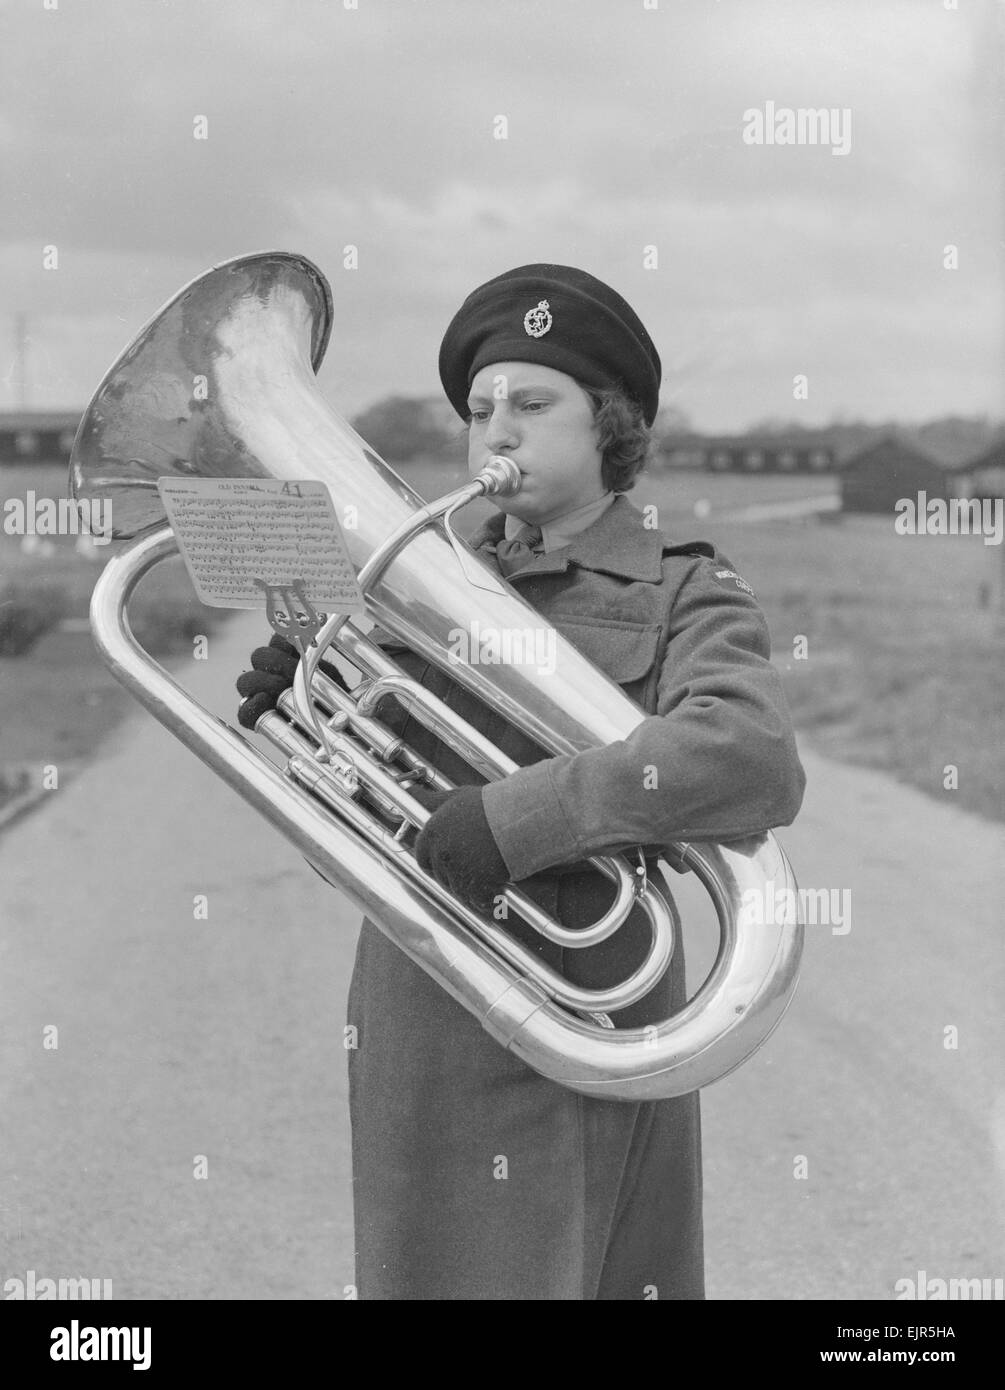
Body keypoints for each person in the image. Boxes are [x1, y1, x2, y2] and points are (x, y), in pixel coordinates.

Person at [236, 263, 805, 1300]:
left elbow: (749, 757)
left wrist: (515, 817)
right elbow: (375, 832)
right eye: (480, 408)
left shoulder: (683, 584)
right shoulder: (418, 586)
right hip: (419, 1004)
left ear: (612, 427)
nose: (497, 429)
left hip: (582, 1003)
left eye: (534, 404)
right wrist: (308, 718)